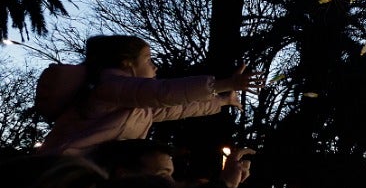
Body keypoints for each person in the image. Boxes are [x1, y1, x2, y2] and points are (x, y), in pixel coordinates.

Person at [34, 35, 260, 156]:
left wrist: (221, 100)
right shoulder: (110, 86)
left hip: (91, 171)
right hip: (63, 167)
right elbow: (164, 93)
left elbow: (176, 108)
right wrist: (223, 84)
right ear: (127, 64)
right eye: (148, 59)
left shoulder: (134, 103)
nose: (155, 67)